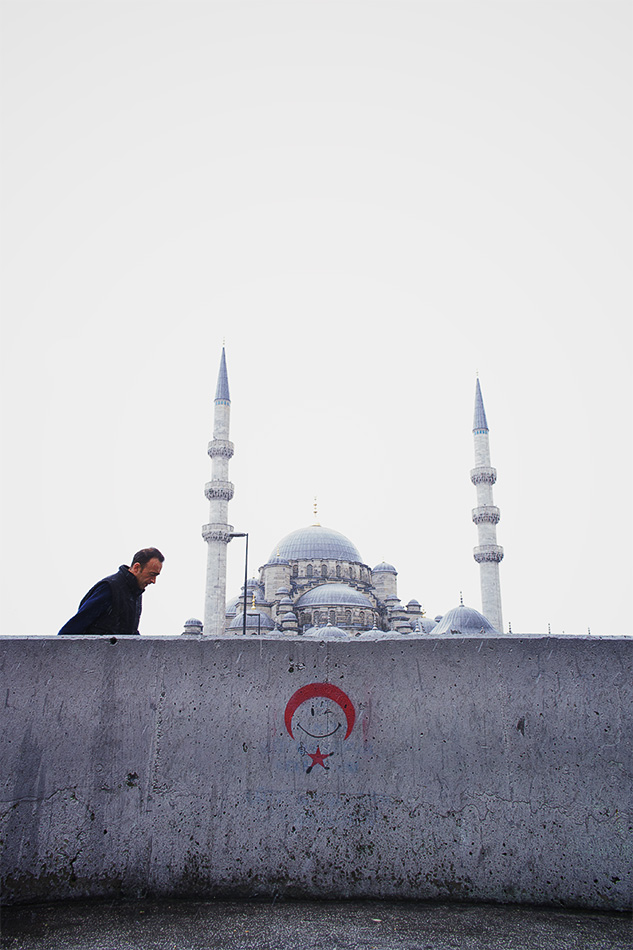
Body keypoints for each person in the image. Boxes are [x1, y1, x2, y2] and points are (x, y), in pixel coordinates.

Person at [58, 548, 164, 636]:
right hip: (96, 653)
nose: (153, 581)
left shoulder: (135, 593)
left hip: (117, 654)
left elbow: (129, 633)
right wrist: (58, 649)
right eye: (152, 574)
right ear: (136, 567)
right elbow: (77, 624)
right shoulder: (109, 587)